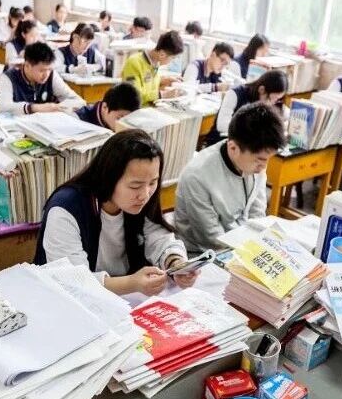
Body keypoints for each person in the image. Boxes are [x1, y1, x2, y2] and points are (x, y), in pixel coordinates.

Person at [35, 129, 193, 296]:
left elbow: (158, 237)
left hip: (127, 298)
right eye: (135, 186)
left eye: (153, 182)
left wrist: (175, 262)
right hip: (67, 300)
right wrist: (131, 283)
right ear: (108, 178)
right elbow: (73, 281)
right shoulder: (66, 209)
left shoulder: (139, 199)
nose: (145, 194)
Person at [177, 102, 286, 253]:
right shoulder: (197, 176)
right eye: (260, 160)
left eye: (268, 159)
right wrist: (251, 250)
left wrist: (259, 243)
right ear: (233, 148)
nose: (264, 166)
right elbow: (211, 237)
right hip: (203, 252)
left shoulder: (255, 161)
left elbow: (257, 213)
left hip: (241, 243)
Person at [0, 42, 85, 115]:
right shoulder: (9, 77)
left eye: (49, 69)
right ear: (27, 65)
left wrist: (58, 107)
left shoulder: (52, 75)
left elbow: (79, 101)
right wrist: (33, 108)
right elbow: (2, 107)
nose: (46, 74)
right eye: (42, 70)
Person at [210, 70, 287, 145]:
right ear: (261, 90)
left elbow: (287, 116)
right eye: (272, 98)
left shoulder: (270, 102)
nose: (273, 103)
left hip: (247, 144)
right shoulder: (235, 94)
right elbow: (222, 125)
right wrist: (253, 133)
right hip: (223, 142)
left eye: (277, 99)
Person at [121, 30, 184, 106]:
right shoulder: (134, 62)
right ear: (162, 54)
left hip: (150, 108)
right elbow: (133, 96)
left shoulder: (155, 62)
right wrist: (163, 94)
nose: (172, 61)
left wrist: (163, 80)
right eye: (172, 58)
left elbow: (146, 83)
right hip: (136, 110)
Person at [75, 82, 141, 130]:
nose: (124, 125)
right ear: (105, 107)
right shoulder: (79, 121)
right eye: (119, 118)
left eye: (128, 119)